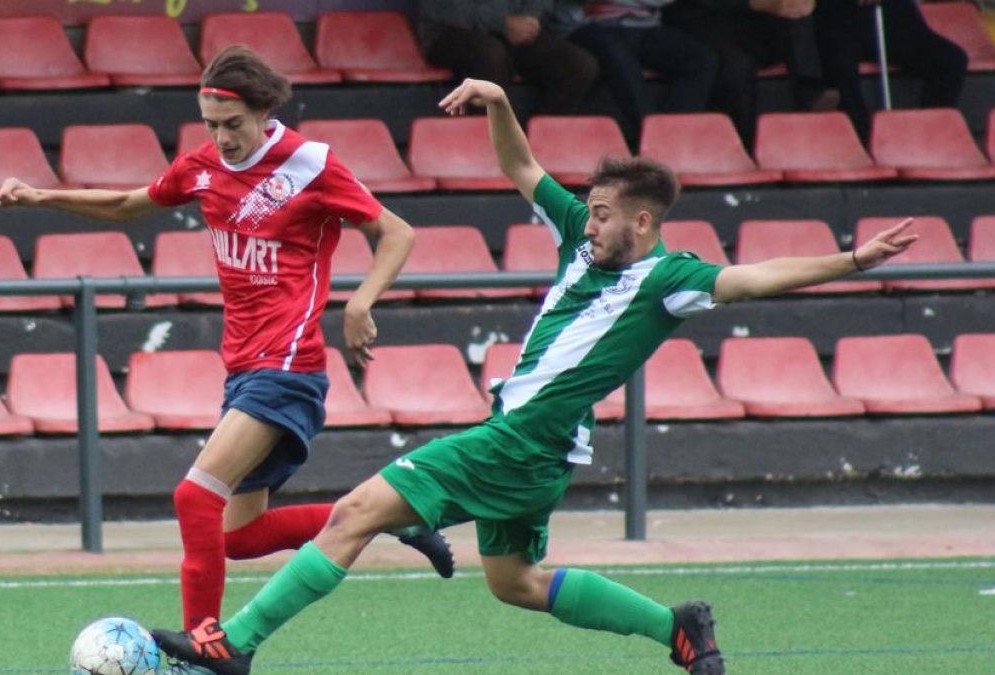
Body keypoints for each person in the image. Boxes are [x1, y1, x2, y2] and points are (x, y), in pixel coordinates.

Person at [149, 77, 917, 675]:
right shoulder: (580, 244)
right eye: (588, 208)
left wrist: (850, 259)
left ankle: (236, 642)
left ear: (642, 222)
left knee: (354, 512)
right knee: (513, 581)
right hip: (539, 452)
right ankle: (676, 626)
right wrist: (499, 103)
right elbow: (520, 165)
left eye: (605, 212)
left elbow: (755, 278)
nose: (590, 219)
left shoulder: (668, 279)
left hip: (520, 439)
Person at [0, 45, 454, 634]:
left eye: (233, 125)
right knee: (236, 536)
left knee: (194, 498)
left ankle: (203, 647)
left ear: (265, 112)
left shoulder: (309, 163)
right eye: (211, 125)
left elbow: (396, 233)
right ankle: (392, 517)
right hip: (243, 367)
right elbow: (129, 204)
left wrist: (360, 301)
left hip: (288, 364)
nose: (223, 138)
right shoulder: (202, 166)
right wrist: (41, 196)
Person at [663, 0, 837, 146]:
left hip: (749, 18)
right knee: (737, 66)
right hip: (698, 18)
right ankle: (741, 149)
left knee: (797, 9)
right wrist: (758, 4)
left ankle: (811, 90)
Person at [550, 0, 718, 145]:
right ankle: (652, 138)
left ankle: (672, 140)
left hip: (645, 25)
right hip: (584, 25)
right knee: (618, 56)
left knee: (700, 59)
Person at [813, 0, 968, 141]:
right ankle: (860, 140)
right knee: (840, 67)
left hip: (892, 13)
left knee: (950, 59)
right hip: (837, 15)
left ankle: (930, 136)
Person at [417, 0, 601, 114]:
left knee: (578, 65)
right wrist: (502, 23)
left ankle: (535, 149)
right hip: (448, 32)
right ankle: (484, 146)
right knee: (491, 55)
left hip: (510, 31)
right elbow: (448, 9)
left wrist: (529, 19)